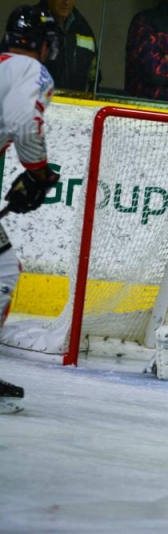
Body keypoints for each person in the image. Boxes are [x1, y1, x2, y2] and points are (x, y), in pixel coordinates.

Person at [0, 6, 62, 413]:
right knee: (3, 269)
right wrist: (38, 173)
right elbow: (24, 122)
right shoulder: (31, 69)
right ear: (43, 43)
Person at [36, 0, 98, 92]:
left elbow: (94, 77)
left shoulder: (83, 29)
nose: (66, 2)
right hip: (37, 102)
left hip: (76, 103)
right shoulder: (32, 22)